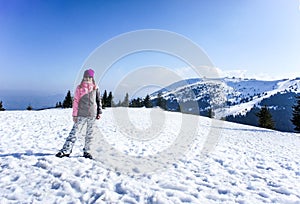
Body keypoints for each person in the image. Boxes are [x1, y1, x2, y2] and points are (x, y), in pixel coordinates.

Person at [56, 69, 102, 159]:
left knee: (90, 134)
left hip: (92, 114)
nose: (87, 78)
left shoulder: (95, 88)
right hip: (81, 114)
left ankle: (87, 151)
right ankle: (66, 150)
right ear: (83, 77)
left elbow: (98, 100)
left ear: (92, 78)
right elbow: (76, 101)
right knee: (74, 133)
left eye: (89, 77)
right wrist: (74, 115)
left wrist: (99, 112)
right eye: (86, 77)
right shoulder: (79, 88)